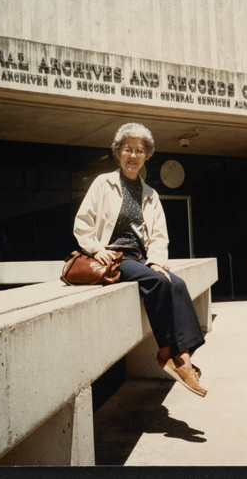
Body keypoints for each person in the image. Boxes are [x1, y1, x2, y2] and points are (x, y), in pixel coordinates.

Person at [73, 123, 207, 397]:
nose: (133, 155)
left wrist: (157, 261)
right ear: (117, 152)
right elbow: (82, 223)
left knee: (176, 283)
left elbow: (159, 236)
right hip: (112, 255)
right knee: (158, 283)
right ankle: (171, 355)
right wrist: (97, 248)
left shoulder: (151, 195)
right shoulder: (103, 183)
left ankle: (183, 358)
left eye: (139, 150)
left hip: (139, 258)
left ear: (147, 155)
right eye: (127, 149)